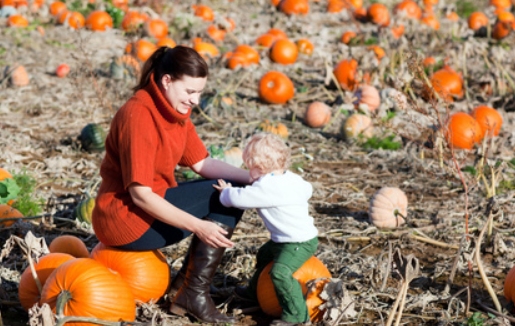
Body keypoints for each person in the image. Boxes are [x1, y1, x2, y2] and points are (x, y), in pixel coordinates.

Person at [91, 45, 250, 324]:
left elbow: (202, 163)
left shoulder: (175, 112)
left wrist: (253, 178)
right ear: (166, 80)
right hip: (124, 219)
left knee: (233, 188)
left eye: (200, 92)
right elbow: (140, 195)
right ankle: (193, 294)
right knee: (224, 196)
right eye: (190, 91)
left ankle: (185, 289)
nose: (196, 101)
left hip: (147, 209)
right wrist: (199, 226)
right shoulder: (139, 115)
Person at [214, 133, 319, 326]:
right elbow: (308, 188)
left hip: (298, 243)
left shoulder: (267, 188)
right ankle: (255, 291)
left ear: (259, 168)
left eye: (248, 168)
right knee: (264, 255)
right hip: (286, 240)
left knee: (280, 273)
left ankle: (297, 316)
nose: (247, 173)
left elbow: (239, 199)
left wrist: (226, 193)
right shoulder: (291, 178)